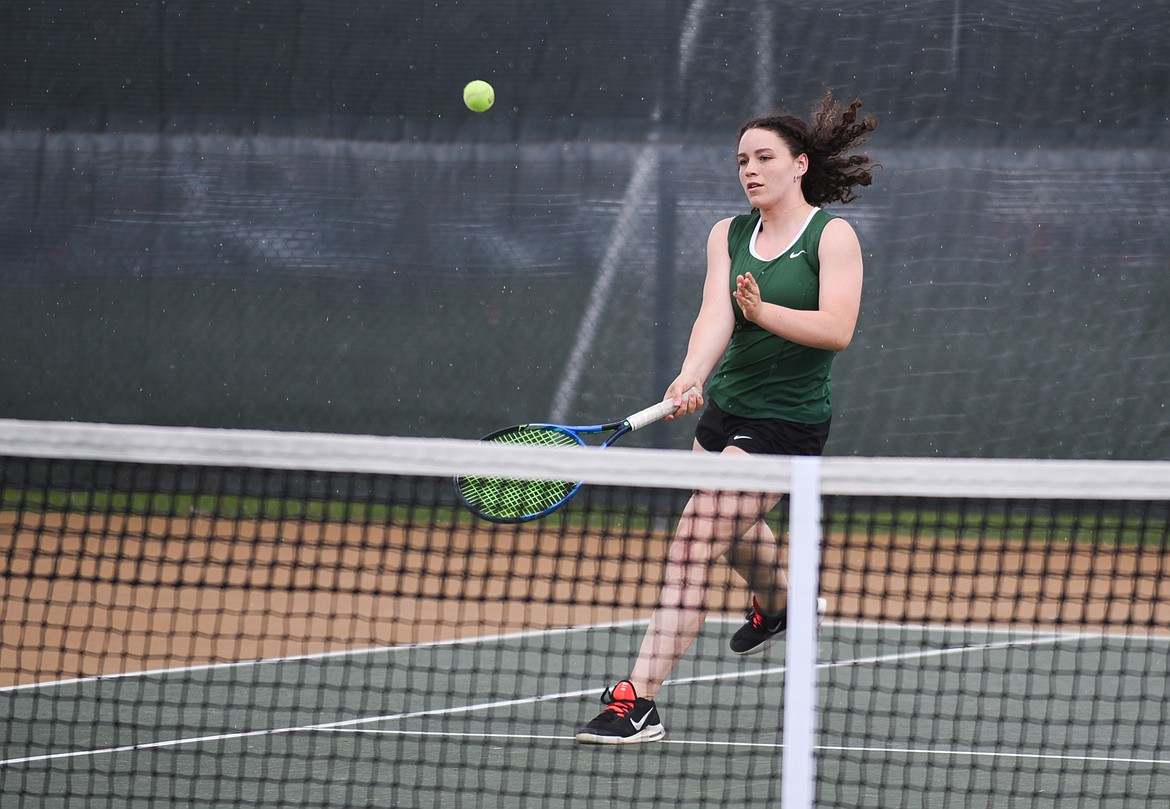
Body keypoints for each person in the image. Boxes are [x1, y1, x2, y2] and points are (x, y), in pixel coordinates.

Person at [576, 91, 878, 744]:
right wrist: (692, 373)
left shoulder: (832, 237)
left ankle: (637, 700)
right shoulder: (730, 233)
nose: (750, 168)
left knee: (693, 540)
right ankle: (784, 605)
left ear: (799, 164)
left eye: (764, 156)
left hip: (787, 422)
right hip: (726, 411)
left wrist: (764, 310)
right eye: (742, 158)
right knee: (735, 532)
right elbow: (717, 312)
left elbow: (837, 328)